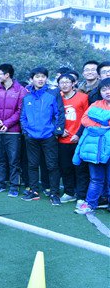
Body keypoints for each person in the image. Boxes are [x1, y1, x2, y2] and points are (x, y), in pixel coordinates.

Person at [19, 67, 65, 205]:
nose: (40, 79)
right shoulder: (27, 97)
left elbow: (59, 114)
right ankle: (33, 191)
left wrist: (56, 131)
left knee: (52, 166)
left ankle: (54, 193)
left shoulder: (53, 94)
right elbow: (23, 117)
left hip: (48, 136)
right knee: (32, 165)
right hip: (31, 137)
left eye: (43, 76)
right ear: (31, 79)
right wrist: (26, 131)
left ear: (46, 78)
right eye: (37, 76)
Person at [0, 64, 28, 197]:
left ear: (7, 75)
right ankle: (0, 183)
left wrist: (7, 123)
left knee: (13, 159)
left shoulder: (20, 90)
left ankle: (14, 186)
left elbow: (20, 111)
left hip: (13, 131)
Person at [73, 78, 110, 215]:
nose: (108, 92)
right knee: (96, 179)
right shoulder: (95, 104)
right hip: (95, 151)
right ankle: (90, 203)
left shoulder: (95, 108)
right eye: (104, 89)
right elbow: (85, 120)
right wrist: (102, 125)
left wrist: (99, 118)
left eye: (109, 88)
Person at [57, 73, 89, 204]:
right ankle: (69, 192)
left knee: (80, 168)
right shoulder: (57, 97)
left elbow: (87, 117)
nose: (64, 85)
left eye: (67, 82)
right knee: (65, 168)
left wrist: (79, 134)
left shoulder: (83, 97)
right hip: (62, 139)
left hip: (78, 139)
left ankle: (81, 195)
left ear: (73, 83)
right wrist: (58, 130)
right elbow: (53, 115)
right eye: (61, 82)